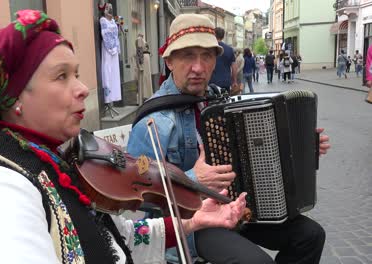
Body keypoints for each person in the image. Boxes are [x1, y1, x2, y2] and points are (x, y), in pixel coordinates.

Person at [0, 10, 247, 264]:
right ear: (13, 98)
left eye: (78, 74)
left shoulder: (54, 161)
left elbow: (118, 238)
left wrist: (191, 222)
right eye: (61, 77)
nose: (84, 89)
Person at [128, 13, 331, 264]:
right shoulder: (154, 120)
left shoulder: (218, 101)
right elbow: (135, 190)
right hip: (192, 222)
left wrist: (299, 147)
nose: (199, 67)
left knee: (310, 236)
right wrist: (193, 179)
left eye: (207, 56)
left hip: (233, 208)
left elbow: (252, 150)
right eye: (188, 55)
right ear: (169, 61)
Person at [209, 27, 237, 95]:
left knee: (212, 103)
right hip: (226, 82)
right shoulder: (230, 49)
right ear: (223, 36)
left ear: (214, 34)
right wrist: (234, 81)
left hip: (212, 83)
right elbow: (234, 67)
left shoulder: (210, 48)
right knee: (225, 102)